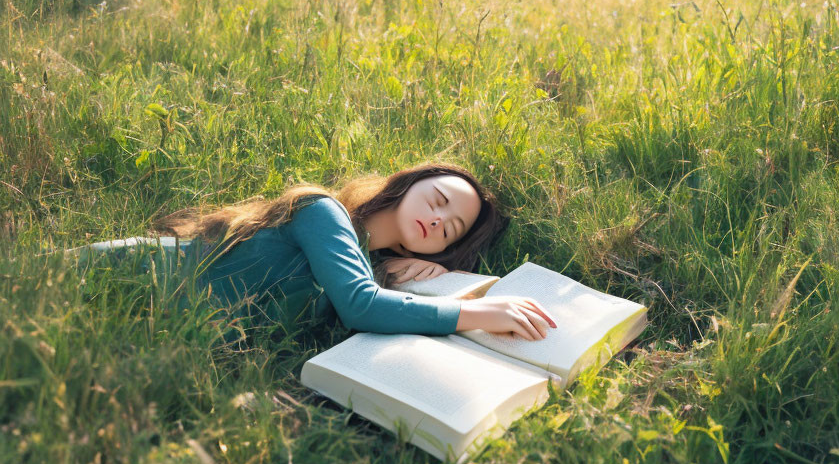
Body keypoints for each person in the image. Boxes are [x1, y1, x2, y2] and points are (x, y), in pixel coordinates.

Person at [73, 163, 557, 341]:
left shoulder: (366, 266)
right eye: (438, 200)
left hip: (146, 323)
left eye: (448, 230)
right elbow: (360, 307)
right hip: (127, 274)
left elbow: (361, 294)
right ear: (408, 183)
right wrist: (475, 310)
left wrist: (395, 273)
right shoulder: (322, 211)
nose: (436, 219)